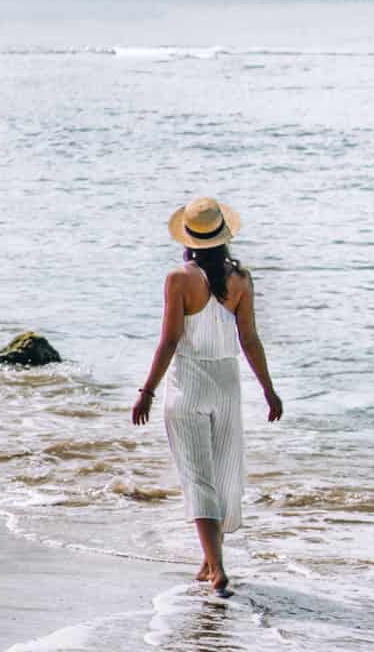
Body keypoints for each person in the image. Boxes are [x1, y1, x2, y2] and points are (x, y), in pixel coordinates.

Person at [131, 195, 281, 597]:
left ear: (189, 239)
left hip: (188, 384)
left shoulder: (178, 280)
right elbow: (250, 340)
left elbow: (169, 341)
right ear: (223, 236)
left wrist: (147, 390)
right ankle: (208, 561)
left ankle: (216, 569)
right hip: (227, 385)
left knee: (197, 476)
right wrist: (268, 389)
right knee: (224, 473)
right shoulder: (241, 280)